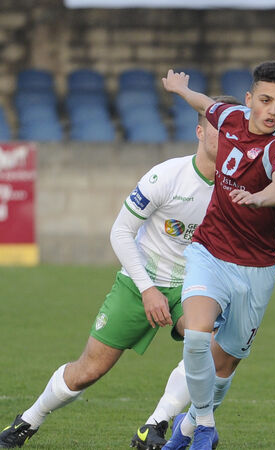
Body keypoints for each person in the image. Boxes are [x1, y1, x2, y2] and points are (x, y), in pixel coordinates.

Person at [0, 95, 241, 450]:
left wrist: (274, 254)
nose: (227, 136)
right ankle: (29, 420)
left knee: (209, 342)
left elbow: (256, 230)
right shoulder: (166, 176)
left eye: (234, 130)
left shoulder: (237, 187)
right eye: (219, 127)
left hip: (193, 285)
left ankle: (155, 424)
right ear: (200, 131)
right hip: (139, 282)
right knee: (89, 370)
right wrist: (147, 289)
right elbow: (120, 231)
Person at [159, 61, 275, 450]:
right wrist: (181, 90)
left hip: (256, 269)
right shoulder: (231, 117)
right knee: (196, 334)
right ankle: (206, 425)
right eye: (265, 100)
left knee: (226, 363)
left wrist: (260, 197)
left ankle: (188, 428)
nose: (273, 111)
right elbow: (206, 105)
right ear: (249, 99)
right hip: (209, 251)